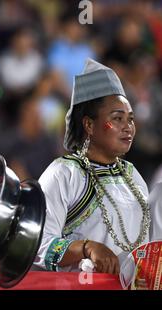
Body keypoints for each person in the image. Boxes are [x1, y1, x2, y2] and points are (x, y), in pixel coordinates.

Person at [35, 58, 151, 274]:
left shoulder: (131, 175)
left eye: (131, 119)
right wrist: (86, 248)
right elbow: (38, 246)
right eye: (117, 118)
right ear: (89, 124)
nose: (128, 127)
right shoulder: (64, 173)